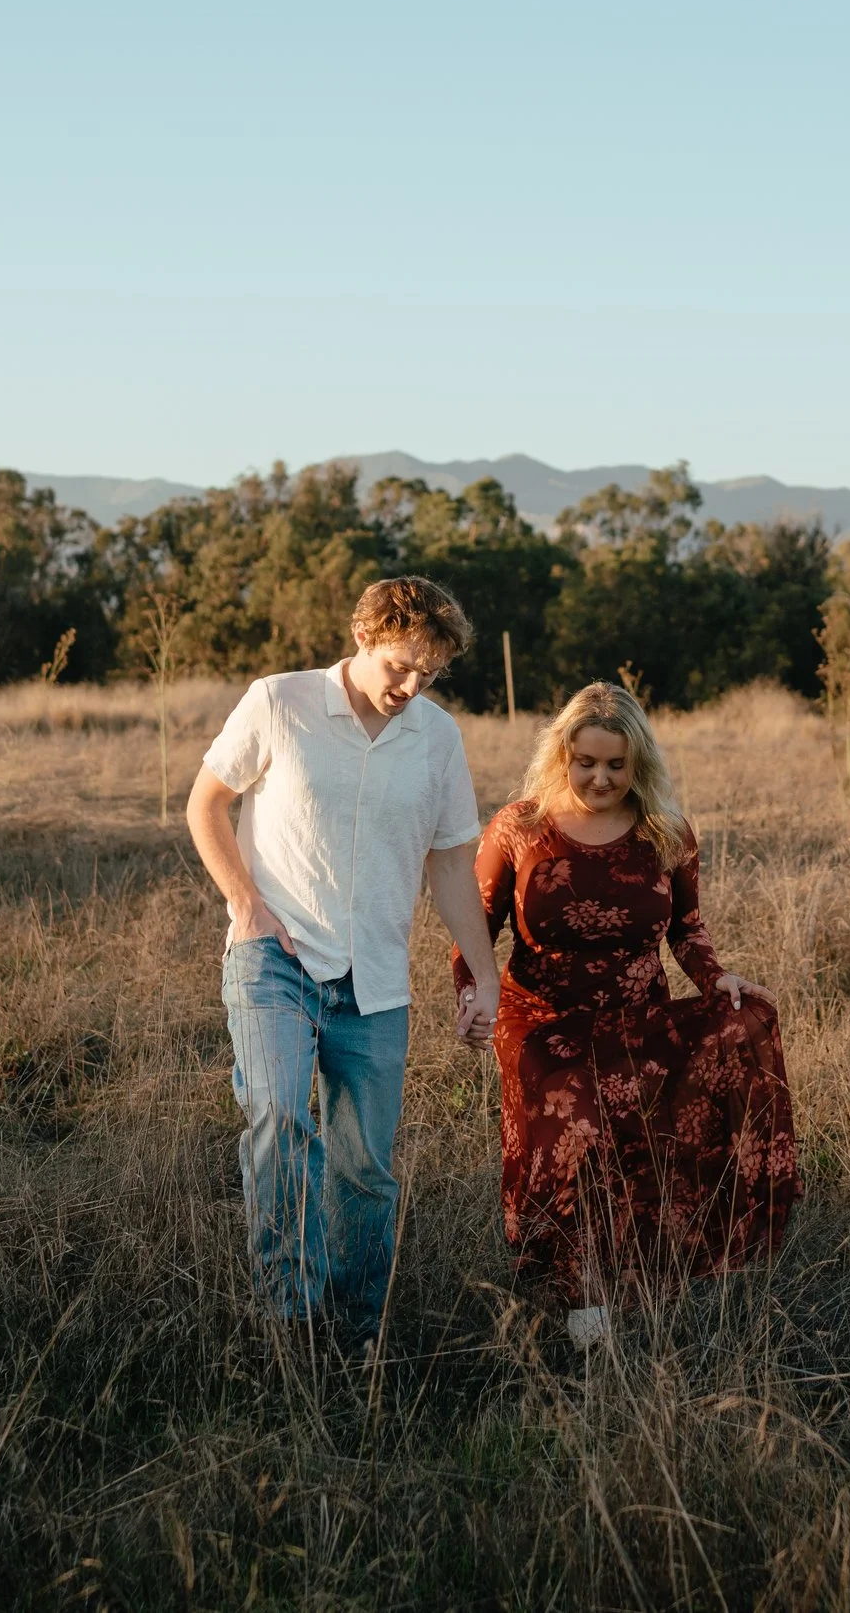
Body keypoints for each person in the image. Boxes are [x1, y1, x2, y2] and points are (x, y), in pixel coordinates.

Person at [187, 577, 499, 1350]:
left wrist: (483, 974)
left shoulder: (438, 737)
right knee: (278, 1114)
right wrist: (247, 906)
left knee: (365, 1169)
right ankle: (289, 1320)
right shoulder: (280, 702)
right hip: (274, 960)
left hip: (377, 979)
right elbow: (206, 802)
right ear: (362, 637)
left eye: (428, 672)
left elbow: (453, 863)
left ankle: (357, 1335)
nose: (411, 685)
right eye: (400, 664)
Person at [452, 682, 800, 1348]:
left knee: (648, 1146)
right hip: (541, 1023)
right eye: (586, 762)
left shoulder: (667, 835)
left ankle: (644, 1283)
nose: (600, 777)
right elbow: (475, 929)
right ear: (562, 755)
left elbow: (687, 931)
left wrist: (715, 976)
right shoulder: (518, 828)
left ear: (639, 764)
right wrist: (475, 996)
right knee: (577, 1138)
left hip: (639, 1020)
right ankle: (582, 1311)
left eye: (616, 765)